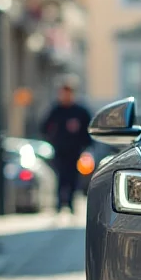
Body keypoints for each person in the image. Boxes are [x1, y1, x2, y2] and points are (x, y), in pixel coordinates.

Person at [41, 79, 91, 214]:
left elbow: (88, 130)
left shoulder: (80, 111)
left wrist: (85, 145)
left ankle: (70, 203)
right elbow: (45, 127)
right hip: (60, 149)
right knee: (60, 176)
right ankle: (59, 203)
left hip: (75, 150)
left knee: (73, 178)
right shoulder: (56, 110)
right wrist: (53, 139)